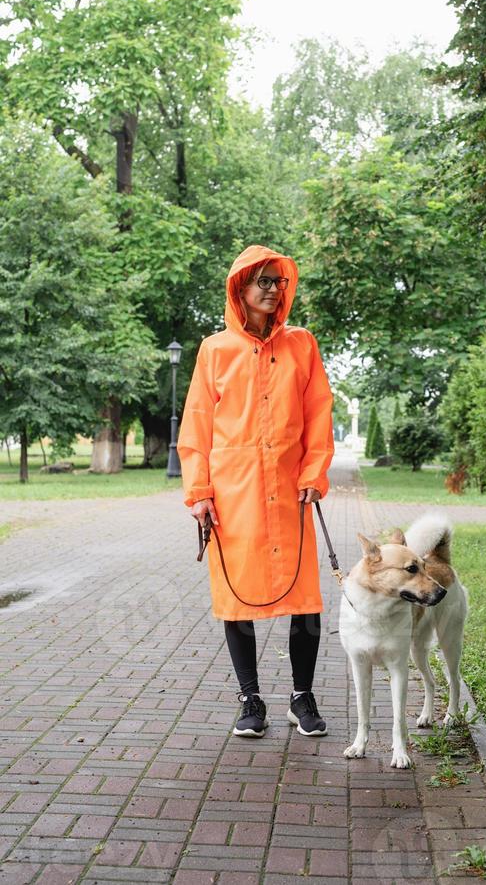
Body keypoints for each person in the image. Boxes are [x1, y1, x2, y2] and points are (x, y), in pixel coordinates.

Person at [177, 244, 335, 739]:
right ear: (240, 289)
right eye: (262, 281)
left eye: (279, 281)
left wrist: (314, 473)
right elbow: (197, 425)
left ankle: (301, 696)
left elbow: (318, 414)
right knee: (235, 594)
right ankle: (250, 699)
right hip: (235, 494)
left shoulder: (302, 345)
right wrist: (199, 491)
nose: (273, 289)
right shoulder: (214, 350)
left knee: (305, 596)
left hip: (290, 490)